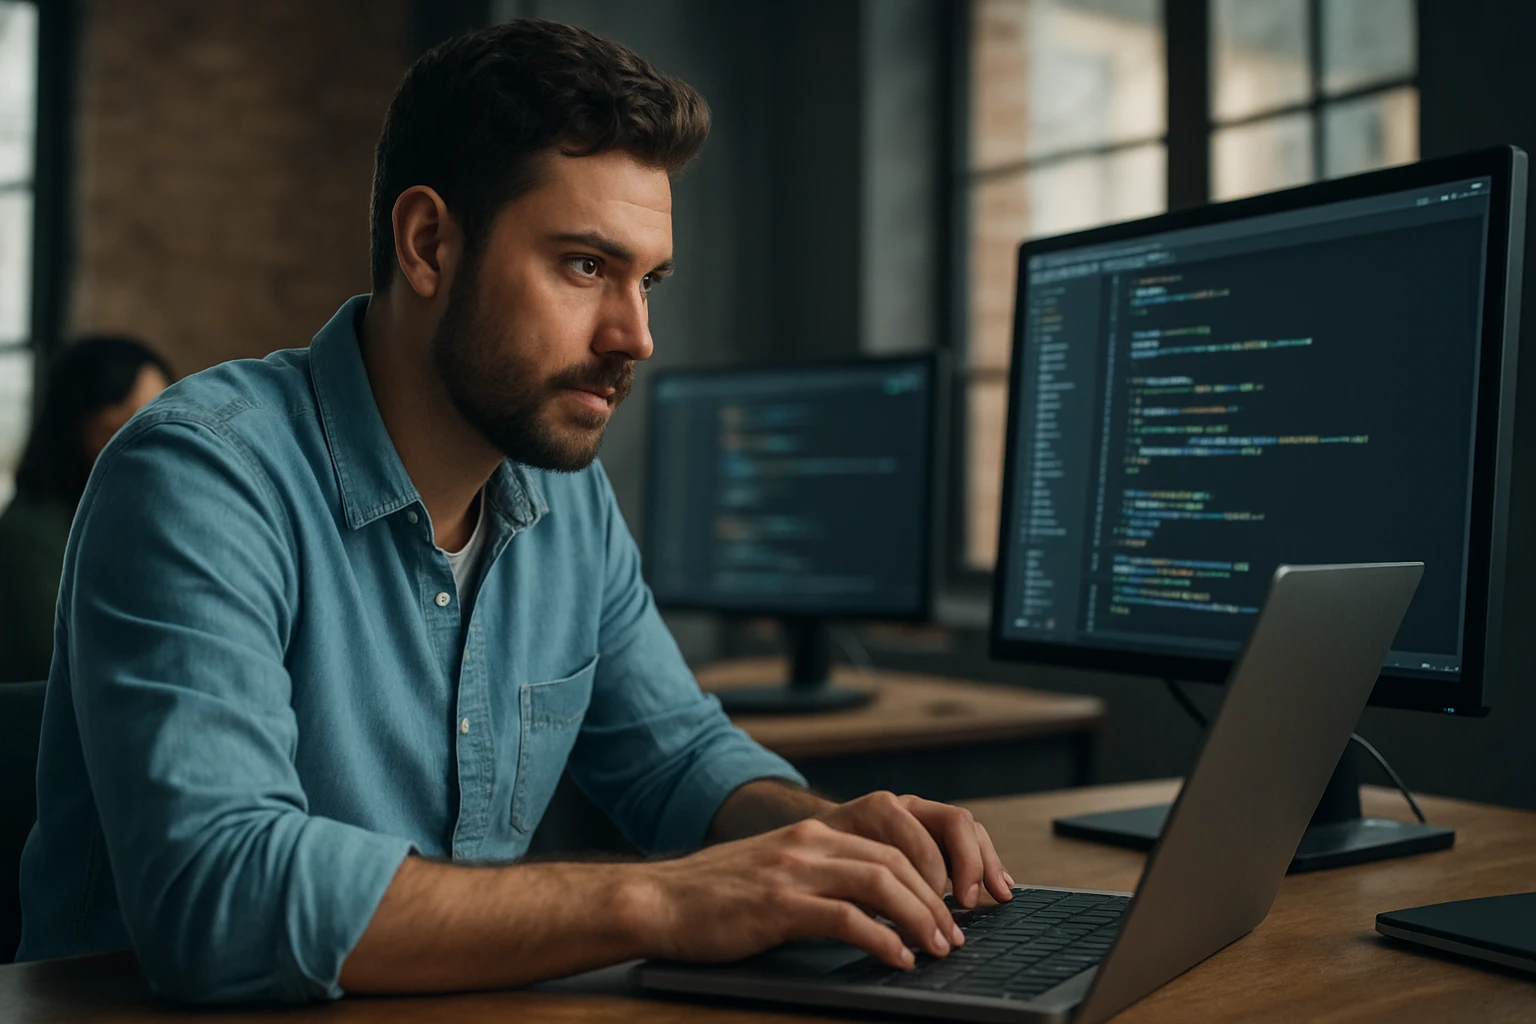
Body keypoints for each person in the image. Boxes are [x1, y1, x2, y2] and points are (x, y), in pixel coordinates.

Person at [16, 19, 1016, 1003]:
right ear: (428, 244)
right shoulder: (200, 476)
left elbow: (678, 756)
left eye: (648, 281)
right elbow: (219, 897)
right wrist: (663, 900)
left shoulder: (567, 497)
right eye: (586, 266)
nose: (636, 336)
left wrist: (826, 838)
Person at [0, 336, 172, 684]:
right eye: (118, 430)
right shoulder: (29, 535)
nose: (151, 451)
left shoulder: (147, 521)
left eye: (163, 427)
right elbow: (56, 665)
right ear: (74, 430)